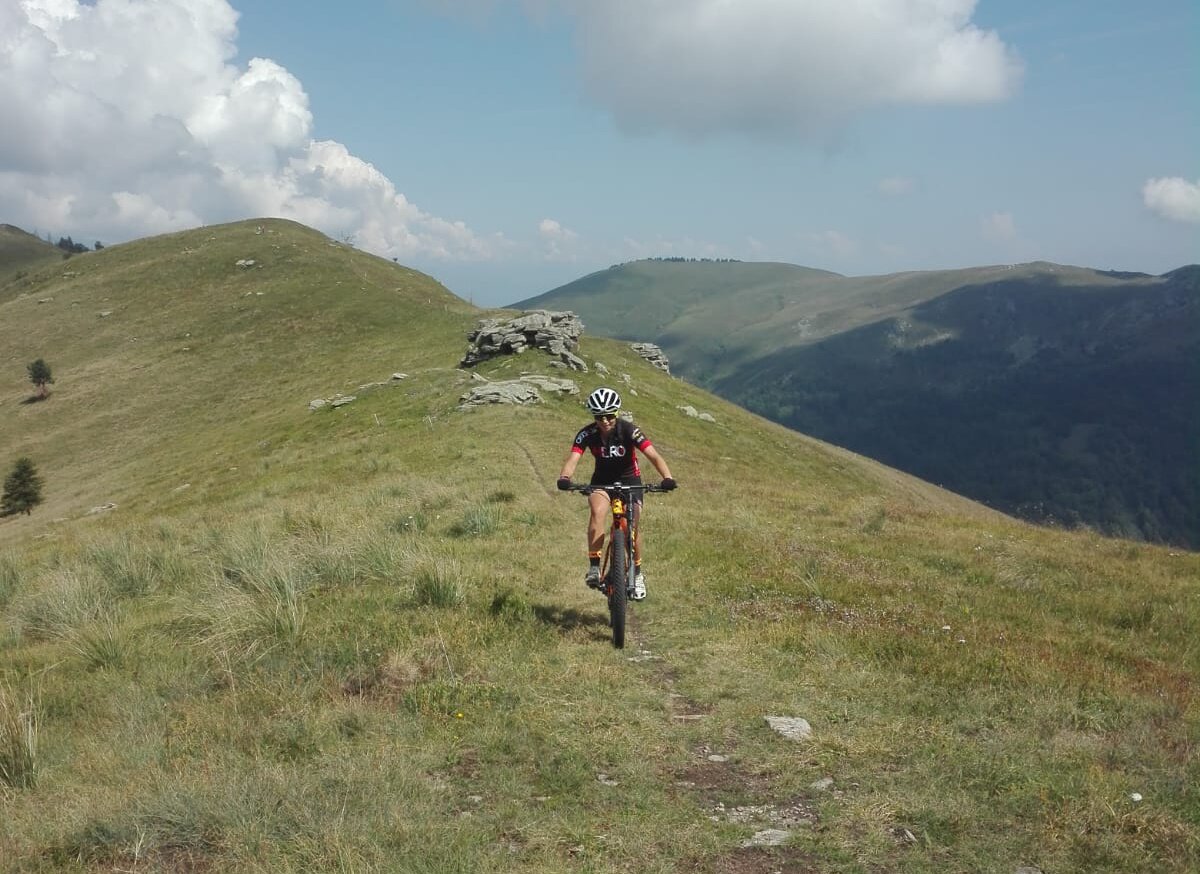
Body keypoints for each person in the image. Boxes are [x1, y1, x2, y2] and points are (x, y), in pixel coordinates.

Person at [556, 387, 676, 600]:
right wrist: (565, 478)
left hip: (631, 480)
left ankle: (637, 574)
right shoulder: (587, 434)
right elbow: (573, 459)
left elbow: (653, 455)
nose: (605, 420)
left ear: (617, 413)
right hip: (602, 482)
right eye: (599, 416)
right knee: (597, 512)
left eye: (610, 415)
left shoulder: (629, 430)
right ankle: (594, 566)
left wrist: (667, 478)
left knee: (632, 527)